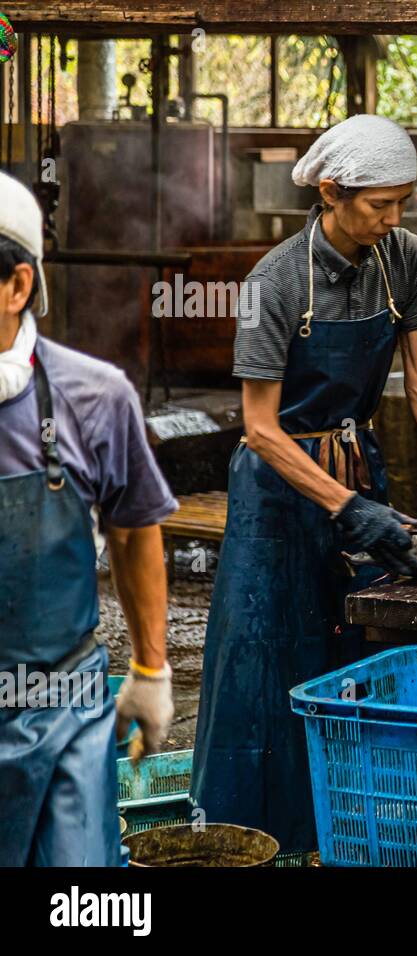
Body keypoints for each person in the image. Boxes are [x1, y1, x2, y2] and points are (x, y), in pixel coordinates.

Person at [191, 114, 417, 856]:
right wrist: (348, 508)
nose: (393, 219)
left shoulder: (406, 259)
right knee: (264, 658)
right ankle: (253, 837)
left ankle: (351, 830)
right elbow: (260, 427)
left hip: (355, 466)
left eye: (402, 202)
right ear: (331, 192)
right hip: (276, 490)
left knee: (352, 647)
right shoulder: (273, 281)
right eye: (378, 206)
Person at [0, 172, 176, 866]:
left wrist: (152, 669)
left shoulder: (94, 398)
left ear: (16, 288)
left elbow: (134, 531)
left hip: (61, 714)